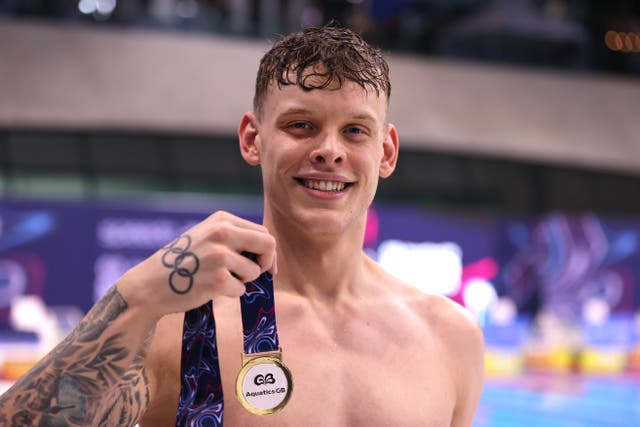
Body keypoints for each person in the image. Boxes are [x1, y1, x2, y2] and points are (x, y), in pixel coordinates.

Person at [0, 23, 484, 426]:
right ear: (253, 139)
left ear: (386, 151)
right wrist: (137, 296)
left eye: (355, 131)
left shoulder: (450, 337)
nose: (329, 150)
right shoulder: (183, 323)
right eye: (301, 125)